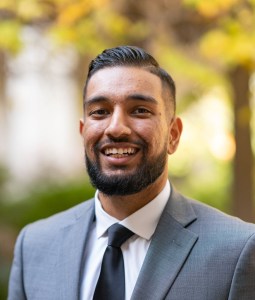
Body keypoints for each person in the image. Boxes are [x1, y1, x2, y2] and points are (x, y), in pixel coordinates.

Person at [8, 46, 255, 300]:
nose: (116, 128)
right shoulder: (34, 246)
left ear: (173, 135)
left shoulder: (238, 251)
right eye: (100, 112)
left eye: (139, 110)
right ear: (83, 132)